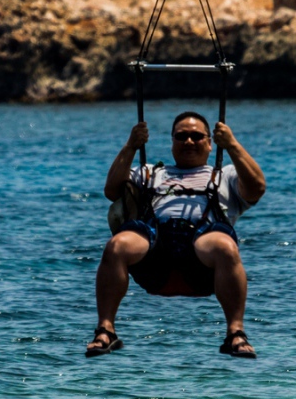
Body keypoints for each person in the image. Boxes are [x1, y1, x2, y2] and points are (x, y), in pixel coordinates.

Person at [85, 111, 266, 359]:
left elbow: (257, 188)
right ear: (172, 141)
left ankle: (236, 333)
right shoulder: (150, 173)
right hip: (154, 251)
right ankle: (106, 330)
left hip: (201, 255)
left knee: (225, 245)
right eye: (181, 136)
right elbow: (111, 190)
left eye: (196, 136)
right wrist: (131, 146)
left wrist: (232, 144)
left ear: (210, 142)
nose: (188, 141)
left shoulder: (226, 176)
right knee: (117, 245)